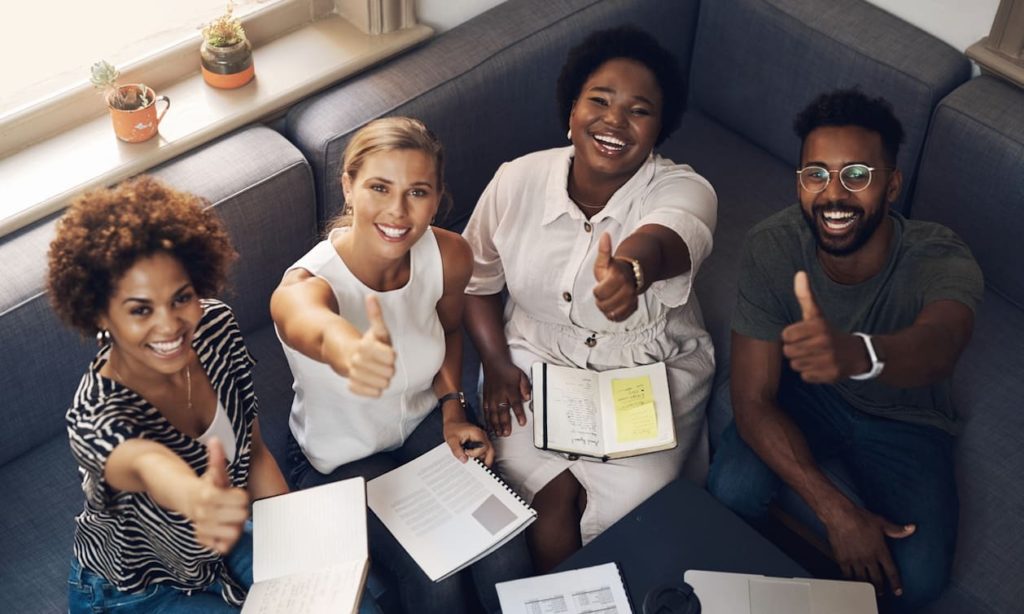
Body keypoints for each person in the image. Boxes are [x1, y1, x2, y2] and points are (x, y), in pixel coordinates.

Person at [707, 89, 983, 612]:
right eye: (817, 174)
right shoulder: (773, 246)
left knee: (920, 580)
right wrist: (836, 511)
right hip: (809, 395)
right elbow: (751, 400)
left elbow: (941, 344)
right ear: (799, 182)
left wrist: (860, 355)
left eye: (857, 175)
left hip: (908, 419)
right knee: (732, 487)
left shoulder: (938, 253)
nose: (834, 194)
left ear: (892, 185)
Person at [462, 26, 718, 571]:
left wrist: (631, 271)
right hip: (533, 358)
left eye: (639, 110)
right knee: (549, 504)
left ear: (660, 129)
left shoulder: (686, 188)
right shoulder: (516, 180)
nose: (615, 121)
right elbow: (477, 285)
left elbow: (670, 236)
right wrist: (495, 362)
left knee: (631, 514)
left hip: (647, 367)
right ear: (571, 108)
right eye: (599, 100)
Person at [271, 116, 531, 613]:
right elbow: (301, 318)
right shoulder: (308, 282)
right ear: (347, 187)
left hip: (424, 423)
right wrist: (347, 349)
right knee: (438, 580)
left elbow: (451, 330)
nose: (397, 211)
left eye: (417, 191)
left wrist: (455, 409)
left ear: (437, 197)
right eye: (379, 187)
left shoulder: (450, 255)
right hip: (339, 459)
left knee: (503, 550)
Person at [48, 176, 293, 612]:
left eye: (181, 298)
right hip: (136, 589)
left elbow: (254, 454)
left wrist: (302, 538)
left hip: (217, 548)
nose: (169, 325)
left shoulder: (216, 328)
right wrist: (195, 497)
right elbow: (142, 463)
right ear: (99, 312)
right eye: (141, 309)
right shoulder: (95, 416)